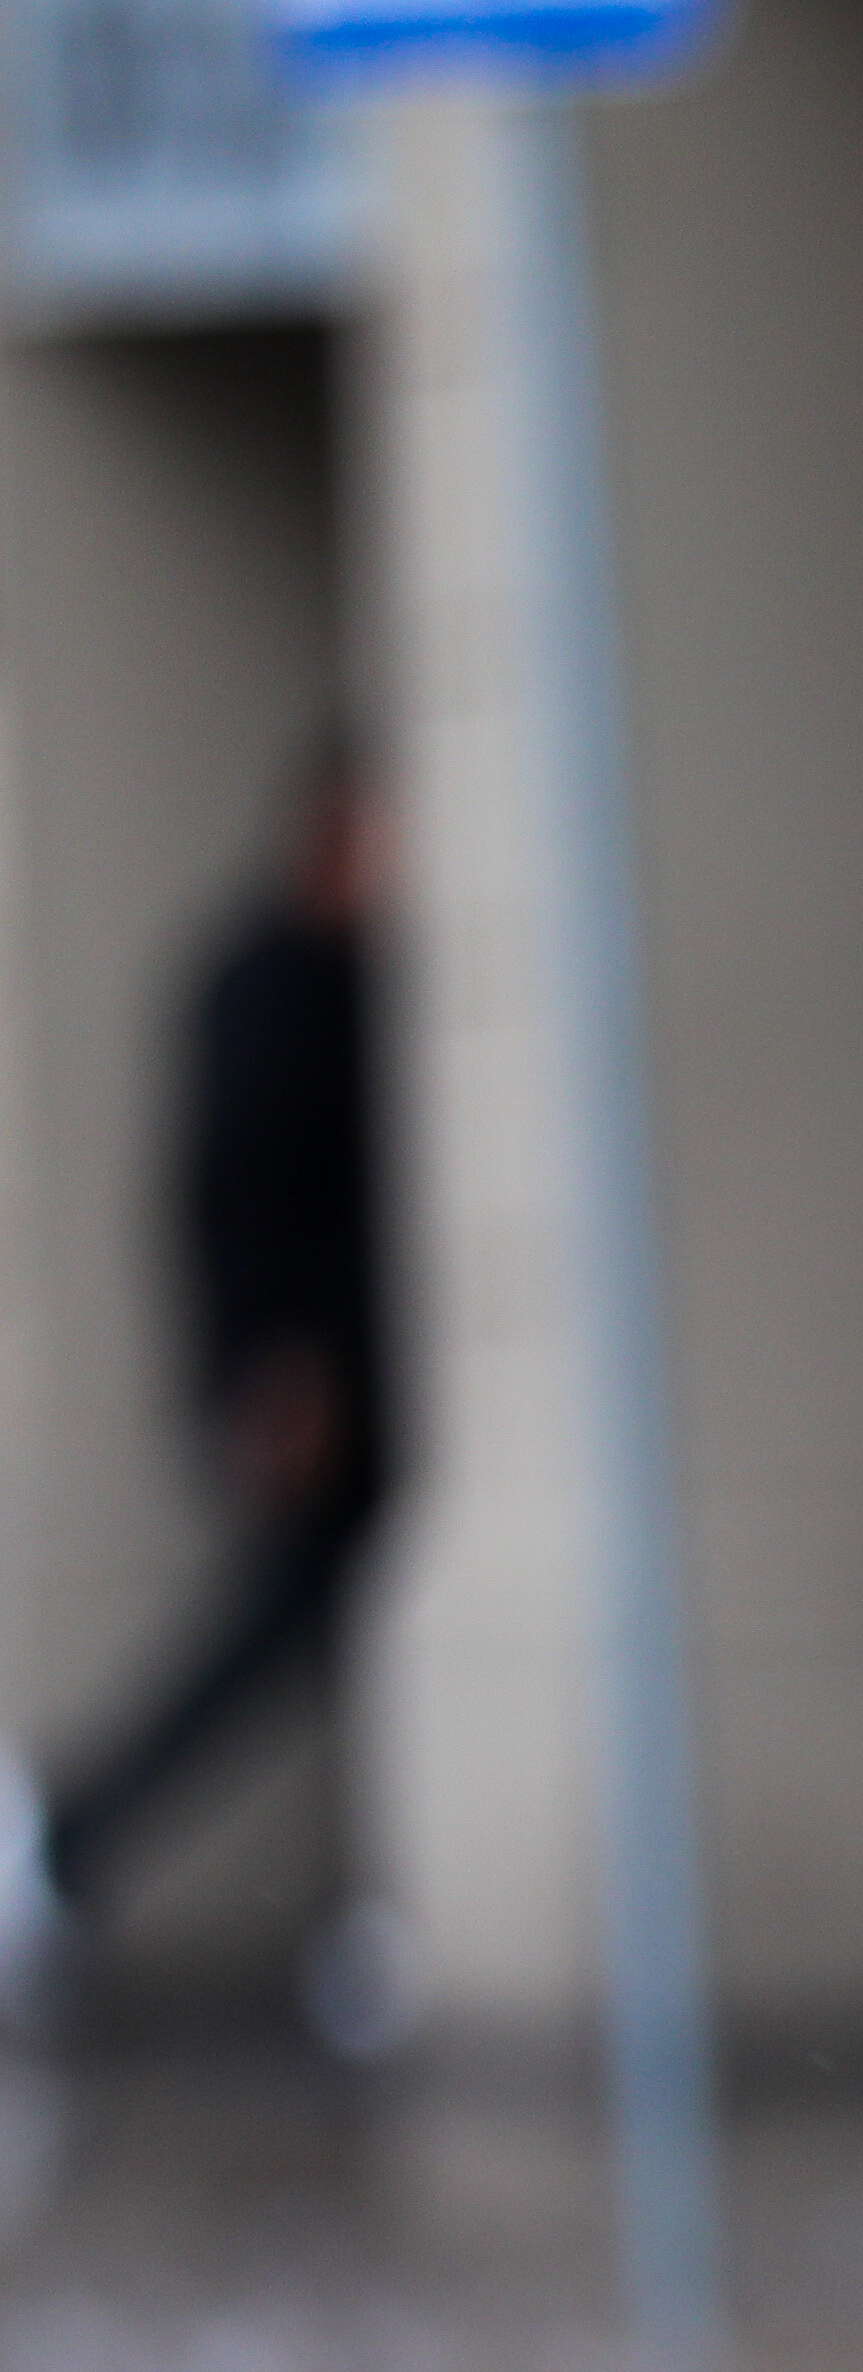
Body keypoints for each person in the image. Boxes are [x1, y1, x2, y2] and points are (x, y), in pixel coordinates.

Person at [12, 740, 400, 1959]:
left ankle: (74, 1837)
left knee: (305, 1631)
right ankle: (66, 1836)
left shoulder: (347, 978)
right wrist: (273, 1371)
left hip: (364, 1382)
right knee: (269, 1632)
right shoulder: (271, 986)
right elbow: (236, 1197)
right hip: (317, 1386)